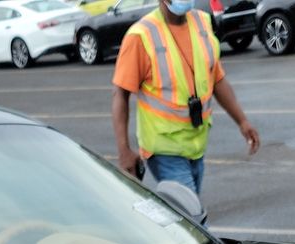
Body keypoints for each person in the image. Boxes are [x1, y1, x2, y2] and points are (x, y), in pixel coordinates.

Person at [110, 0, 259, 197]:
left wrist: (242, 120)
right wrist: (124, 150)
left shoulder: (202, 23)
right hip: (164, 149)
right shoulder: (141, 35)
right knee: (193, 217)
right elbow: (120, 94)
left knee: (186, 215)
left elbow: (217, 79)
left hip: (196, 145)